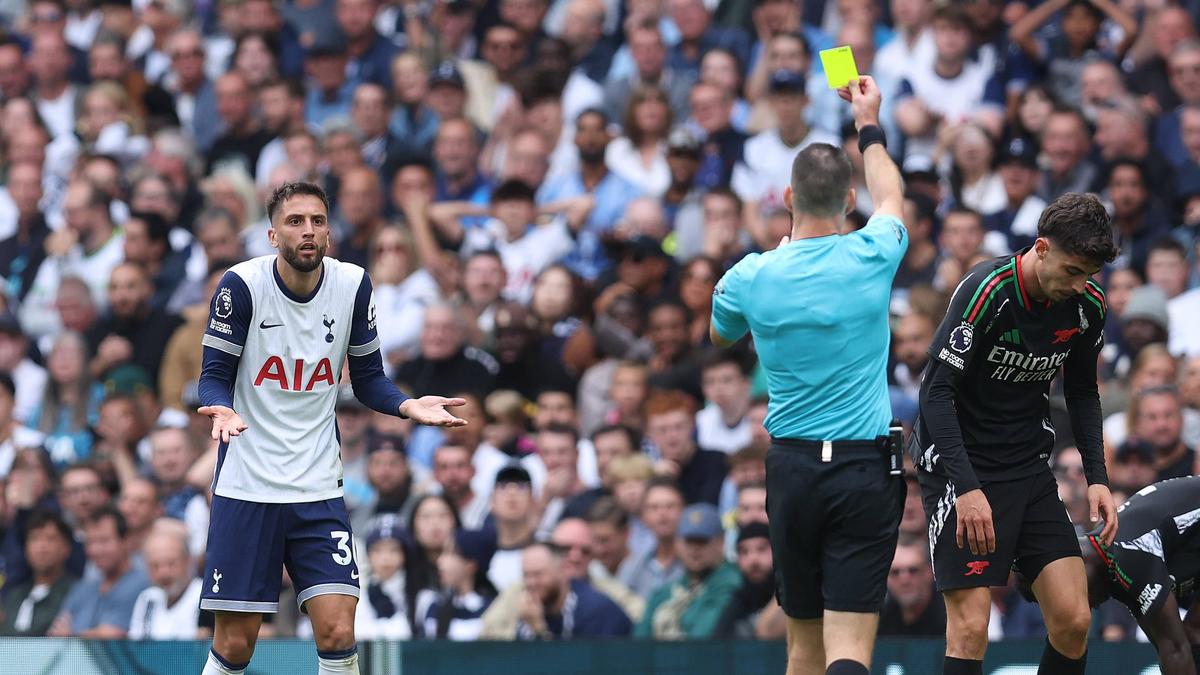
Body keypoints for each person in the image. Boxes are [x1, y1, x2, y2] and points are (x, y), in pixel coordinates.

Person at [195, 181, 470, 675]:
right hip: (247, 484)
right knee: (236, 645)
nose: (308, 231)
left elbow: (367, 381)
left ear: (329, 233)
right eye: (295, 222)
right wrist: (222, 409)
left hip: (317, 485)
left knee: (339, 629)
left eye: (317, 221)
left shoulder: (352, 285)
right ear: (272, 235)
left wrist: (407, 406)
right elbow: (213, 376)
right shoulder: (240, 286)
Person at [709, 76, 907, 675]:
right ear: (849, 200)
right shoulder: (875, 252)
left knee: (802, 648)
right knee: (850, 649)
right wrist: (867, 123)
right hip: (864, 469)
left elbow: (720, 335)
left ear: (788, 200)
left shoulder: (750, 275)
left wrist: (774, 265)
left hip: (793, 470)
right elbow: (893, 195)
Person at [911, 189, 1120, 675]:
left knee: (1073, 620)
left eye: (1091, 275)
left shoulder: (1088, 304)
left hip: (1028, 467)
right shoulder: (987, 291)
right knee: (970, 629)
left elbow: (1084, 393)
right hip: (960, 469)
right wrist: (966, 489)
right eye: (1072, 271)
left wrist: (1098, 477)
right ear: (1041, 248)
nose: (1080, 285)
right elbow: (935, 393)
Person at [1018, 476, 1200, 674]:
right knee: (1190, 638)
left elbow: (1174, 649)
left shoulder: (1126, 556)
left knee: (1182, 644)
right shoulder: (1112, 561)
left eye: (1081, 599)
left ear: (1080, 567)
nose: (1091, 606)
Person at [635, 502, 741, 639]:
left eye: (702, 541)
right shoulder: (667, 591)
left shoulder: (731, 584)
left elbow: (700, 639)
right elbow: (639, 640)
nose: (694, 549)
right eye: (689, 541)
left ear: (720, 543)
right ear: (677, 543)